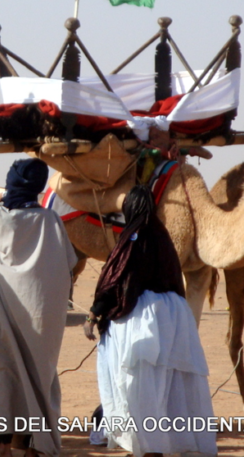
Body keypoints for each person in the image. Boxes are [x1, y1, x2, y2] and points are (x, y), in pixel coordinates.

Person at [85, 185, 216, 457]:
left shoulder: (133, 237)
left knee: (139, 384)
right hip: (175, 315)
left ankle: (147, 448)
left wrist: (95, 312)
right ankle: (157, 445)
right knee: (170, 386)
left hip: (143, 318)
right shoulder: (162, 234)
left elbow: (117, 278)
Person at [0, 158, 78, 457]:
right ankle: (33, 448)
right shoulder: (51, 220)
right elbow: (69, 262)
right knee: (37, 377)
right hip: (43, 318)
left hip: (5, 315)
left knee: (2, 373)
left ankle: (3, 448)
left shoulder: (0, 218)